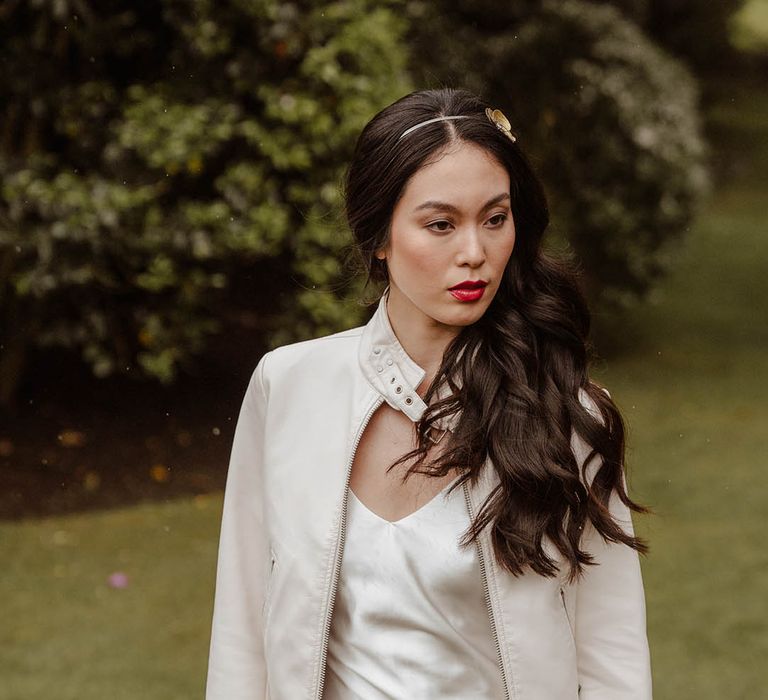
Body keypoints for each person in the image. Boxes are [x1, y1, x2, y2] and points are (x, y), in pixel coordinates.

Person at [205, 87, 653, 700]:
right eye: (440, 224)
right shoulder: (287, 386)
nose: (475, 253)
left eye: (495, 219)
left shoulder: (569, 414)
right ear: (379, 237)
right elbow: (241, 633)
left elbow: (612, 664)